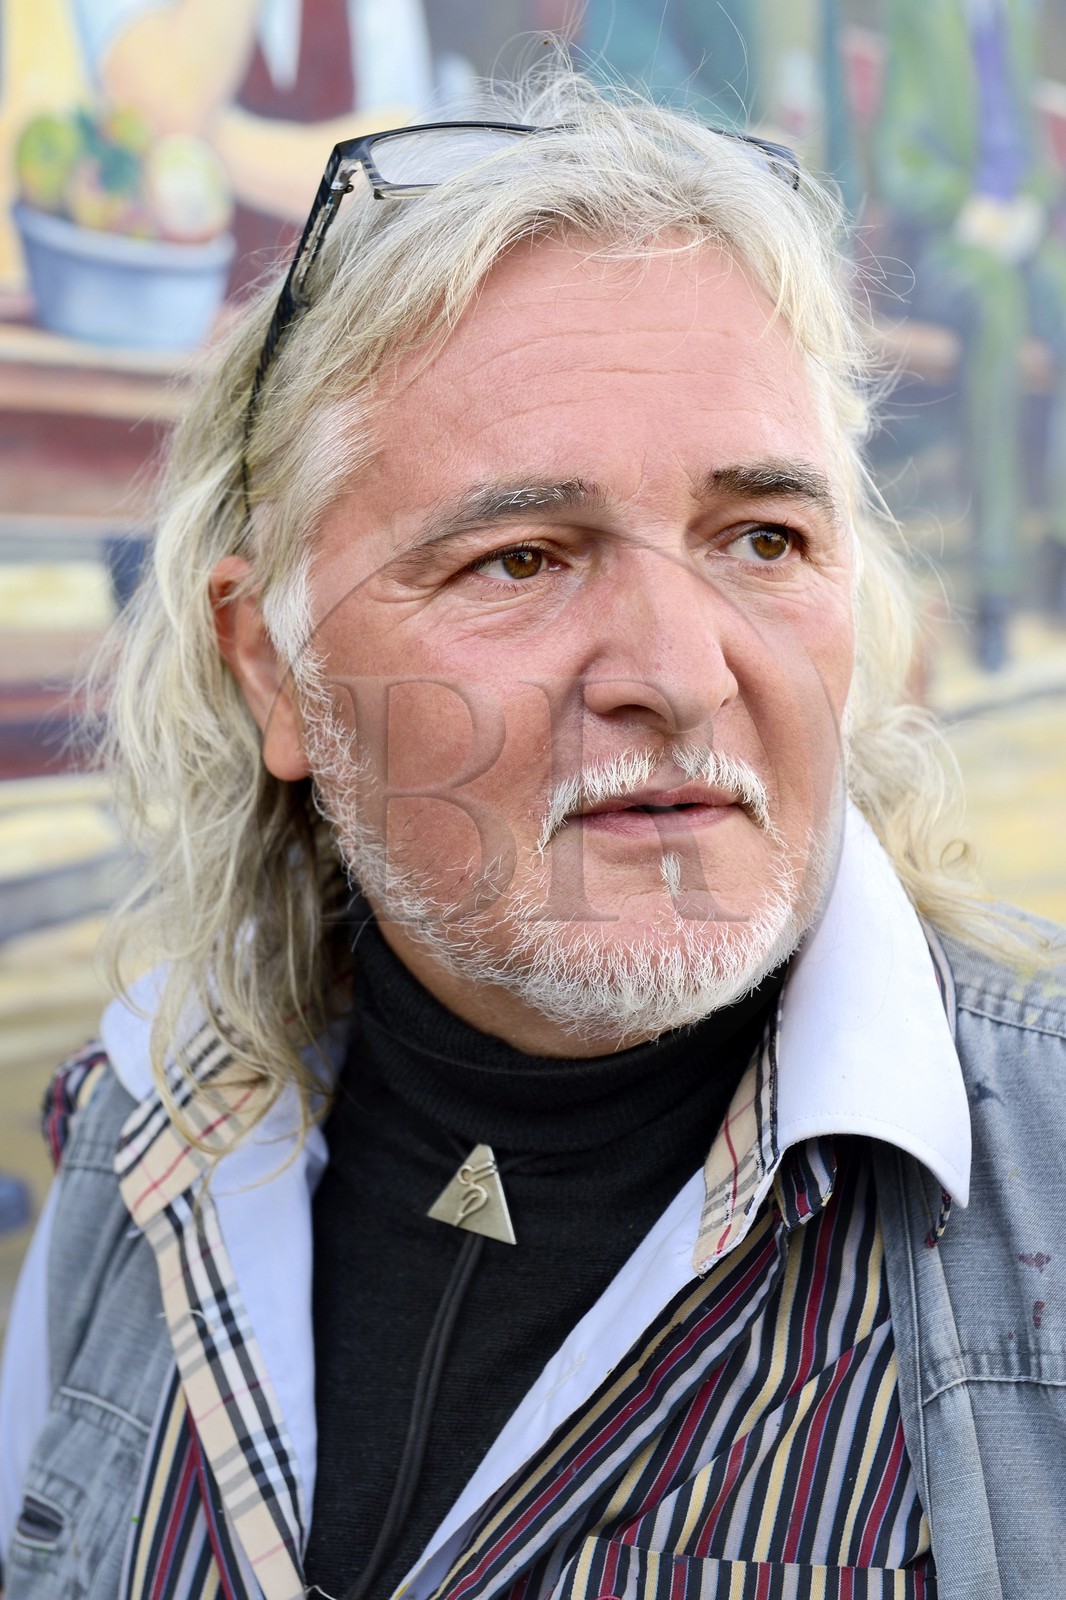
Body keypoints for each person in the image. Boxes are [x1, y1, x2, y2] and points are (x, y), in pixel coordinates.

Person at [1, 64, 1065, 1600]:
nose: (680, 674)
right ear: (268, 665)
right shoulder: (144, 1139)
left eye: (762, 539)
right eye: (518, 560)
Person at [873, 0, 1066, 670]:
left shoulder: (1014, 19)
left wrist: (1032, 206)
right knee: (1000, 305)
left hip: (1019, 229)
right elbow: (901, 166)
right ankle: (998, 585)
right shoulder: (921, 16)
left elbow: (1036, 157)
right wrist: (971, 209)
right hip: (951, 245)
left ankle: (1062, 543)